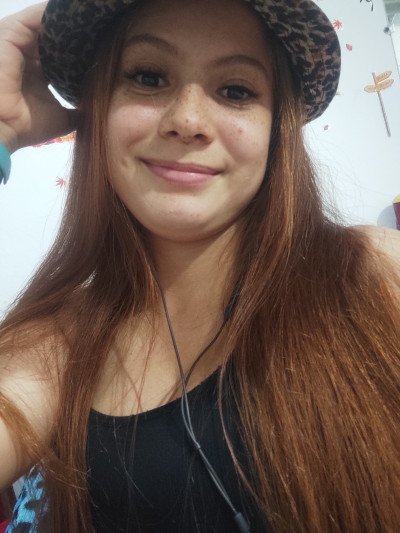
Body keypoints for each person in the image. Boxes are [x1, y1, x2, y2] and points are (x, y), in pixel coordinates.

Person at [0, 0, 399, 531]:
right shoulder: (58, 342)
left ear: (276, 129)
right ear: (100, 106)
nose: (187, 121)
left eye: (235, 90)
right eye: (148, 77)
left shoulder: (376, 275)